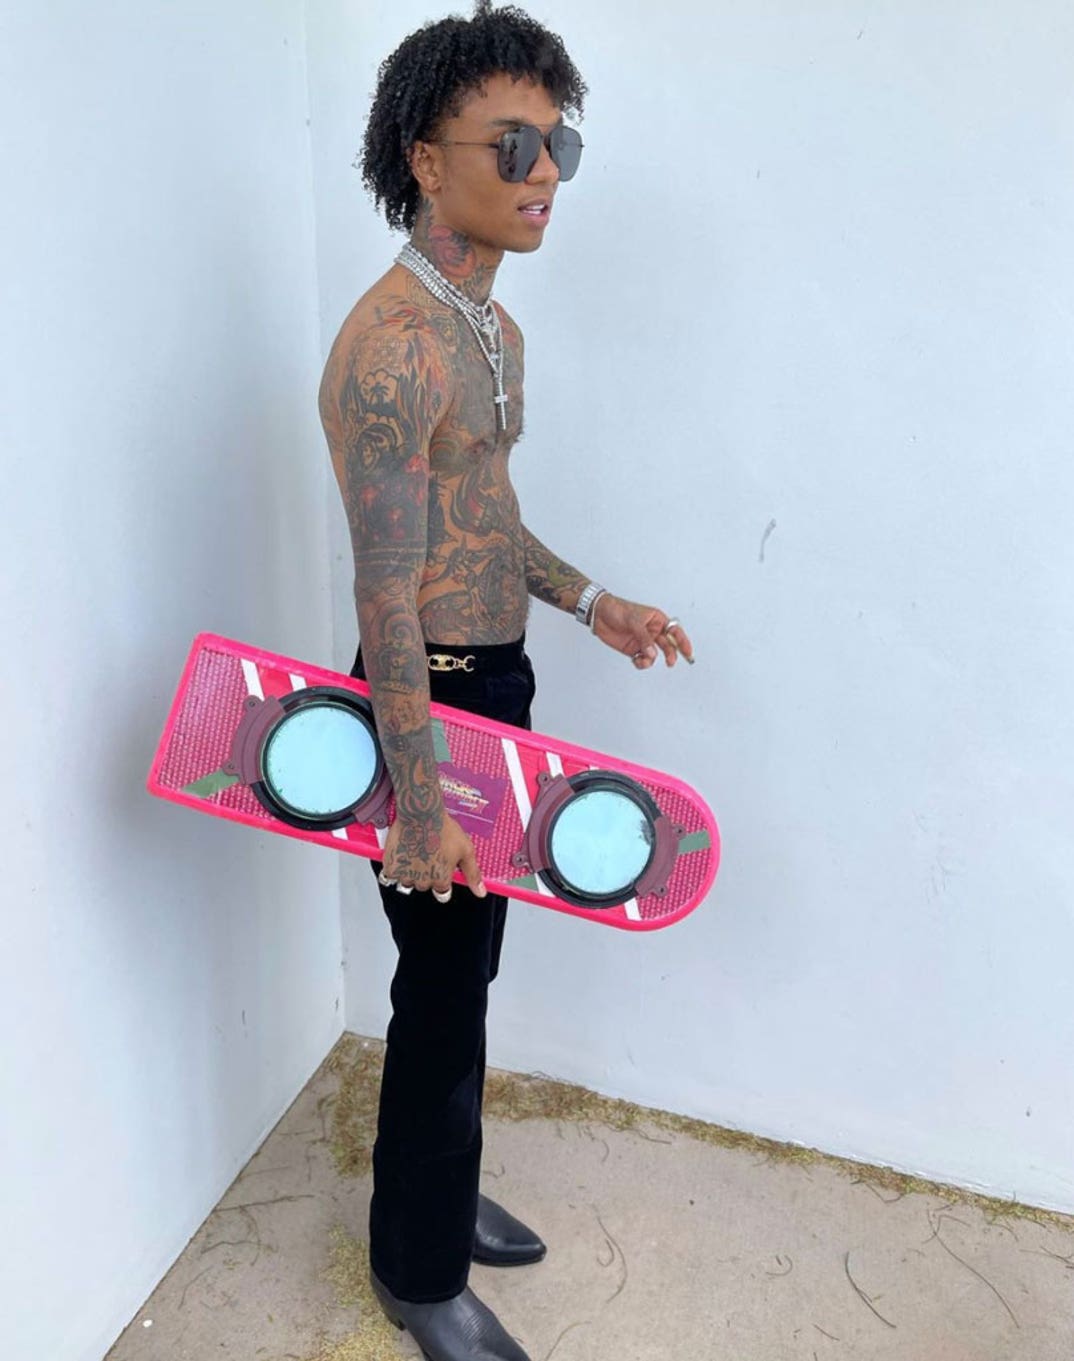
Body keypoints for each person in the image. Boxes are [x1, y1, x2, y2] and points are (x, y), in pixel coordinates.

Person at [318, 5, 694, 1358]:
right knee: (439, 980)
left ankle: (438, 1180)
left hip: (497, 681)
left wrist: (592, 603)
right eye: (514, 145)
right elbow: (384, 589)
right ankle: (416, 1270)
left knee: (466, 971)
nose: (545, 175)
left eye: (559, 146)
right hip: (422, 698)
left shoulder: (489, 329)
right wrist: (418, 798)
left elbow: (482, 521)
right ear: (427, 162)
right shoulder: (390, 350)